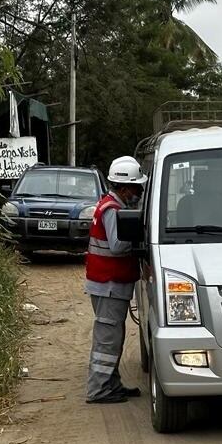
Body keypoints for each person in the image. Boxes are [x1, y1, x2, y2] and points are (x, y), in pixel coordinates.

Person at [84, 156, 147, 404]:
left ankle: (111, 384)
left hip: (109, 285)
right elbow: (118, 245)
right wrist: (140, 238)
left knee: (113, 337)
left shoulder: (110, 205)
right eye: (136, 187)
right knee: (107, 341)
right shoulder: (112, 210)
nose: (139, 191)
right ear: (123, 187)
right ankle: (99, 389)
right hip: (108, 285)